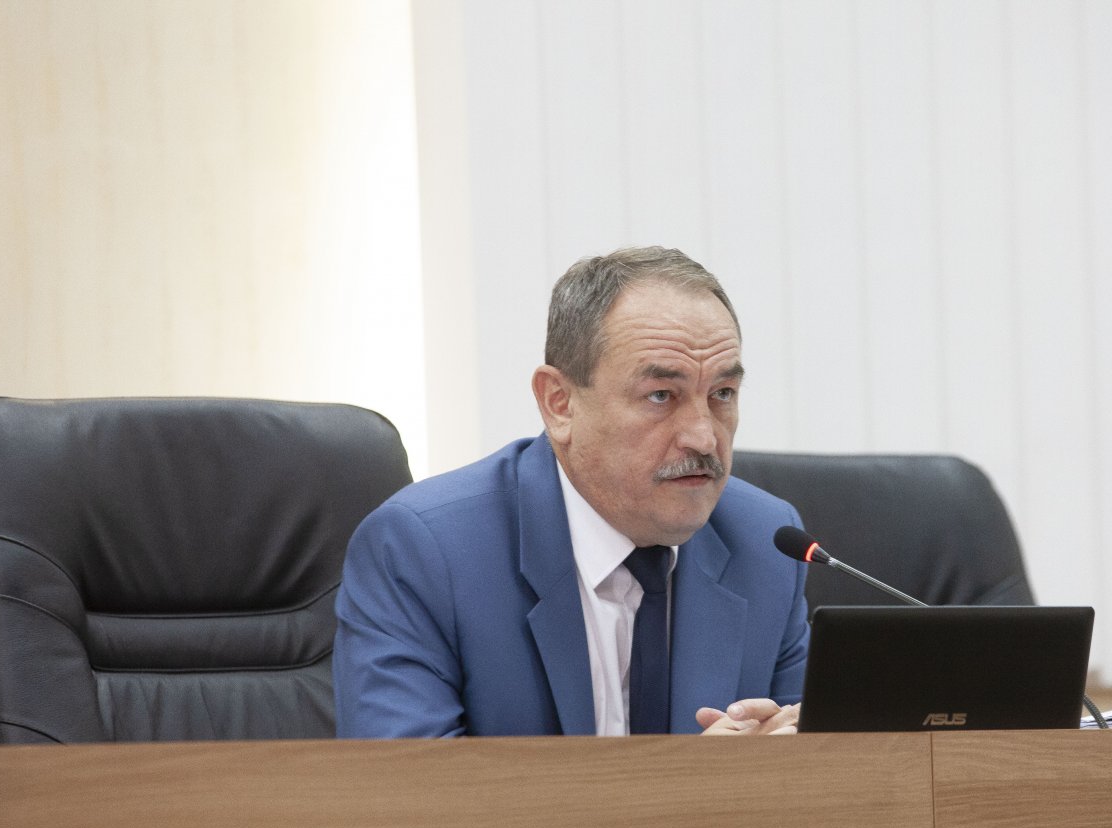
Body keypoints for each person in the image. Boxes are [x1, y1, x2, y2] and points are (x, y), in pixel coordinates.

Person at [334, 246, 807, 738]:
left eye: (722, 394)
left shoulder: (767, 547)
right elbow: (409, 780)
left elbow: (821, 761)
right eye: (661, 396)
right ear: (559, 404)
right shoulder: (423, 552)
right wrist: (691, 781)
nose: (704, 438)